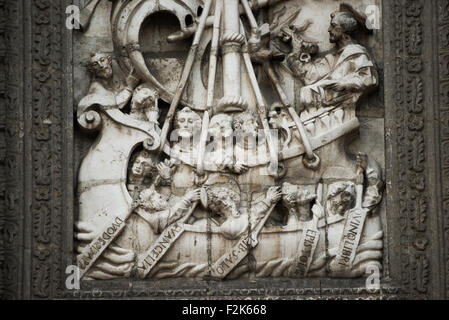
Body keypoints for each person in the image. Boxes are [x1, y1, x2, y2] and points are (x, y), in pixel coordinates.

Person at [295, 6, 378, 111]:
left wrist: (345, 83)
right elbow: (312, 77)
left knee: (308, 92)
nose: (329, 30)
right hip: (327, 102)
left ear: (343, 31)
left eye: (333, 26)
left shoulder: (355, 52)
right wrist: (303, 59)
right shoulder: (332, 57)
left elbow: (368, 79)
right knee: (306, 91)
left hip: (341, 103)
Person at [206, 182, 282, 240]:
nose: (225, 203)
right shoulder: (226, 227)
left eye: (225, 197)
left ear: (232, 197)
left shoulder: (245, 212)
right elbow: (250, 220)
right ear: (217, 210)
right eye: (219, 203)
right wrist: (268, 200)